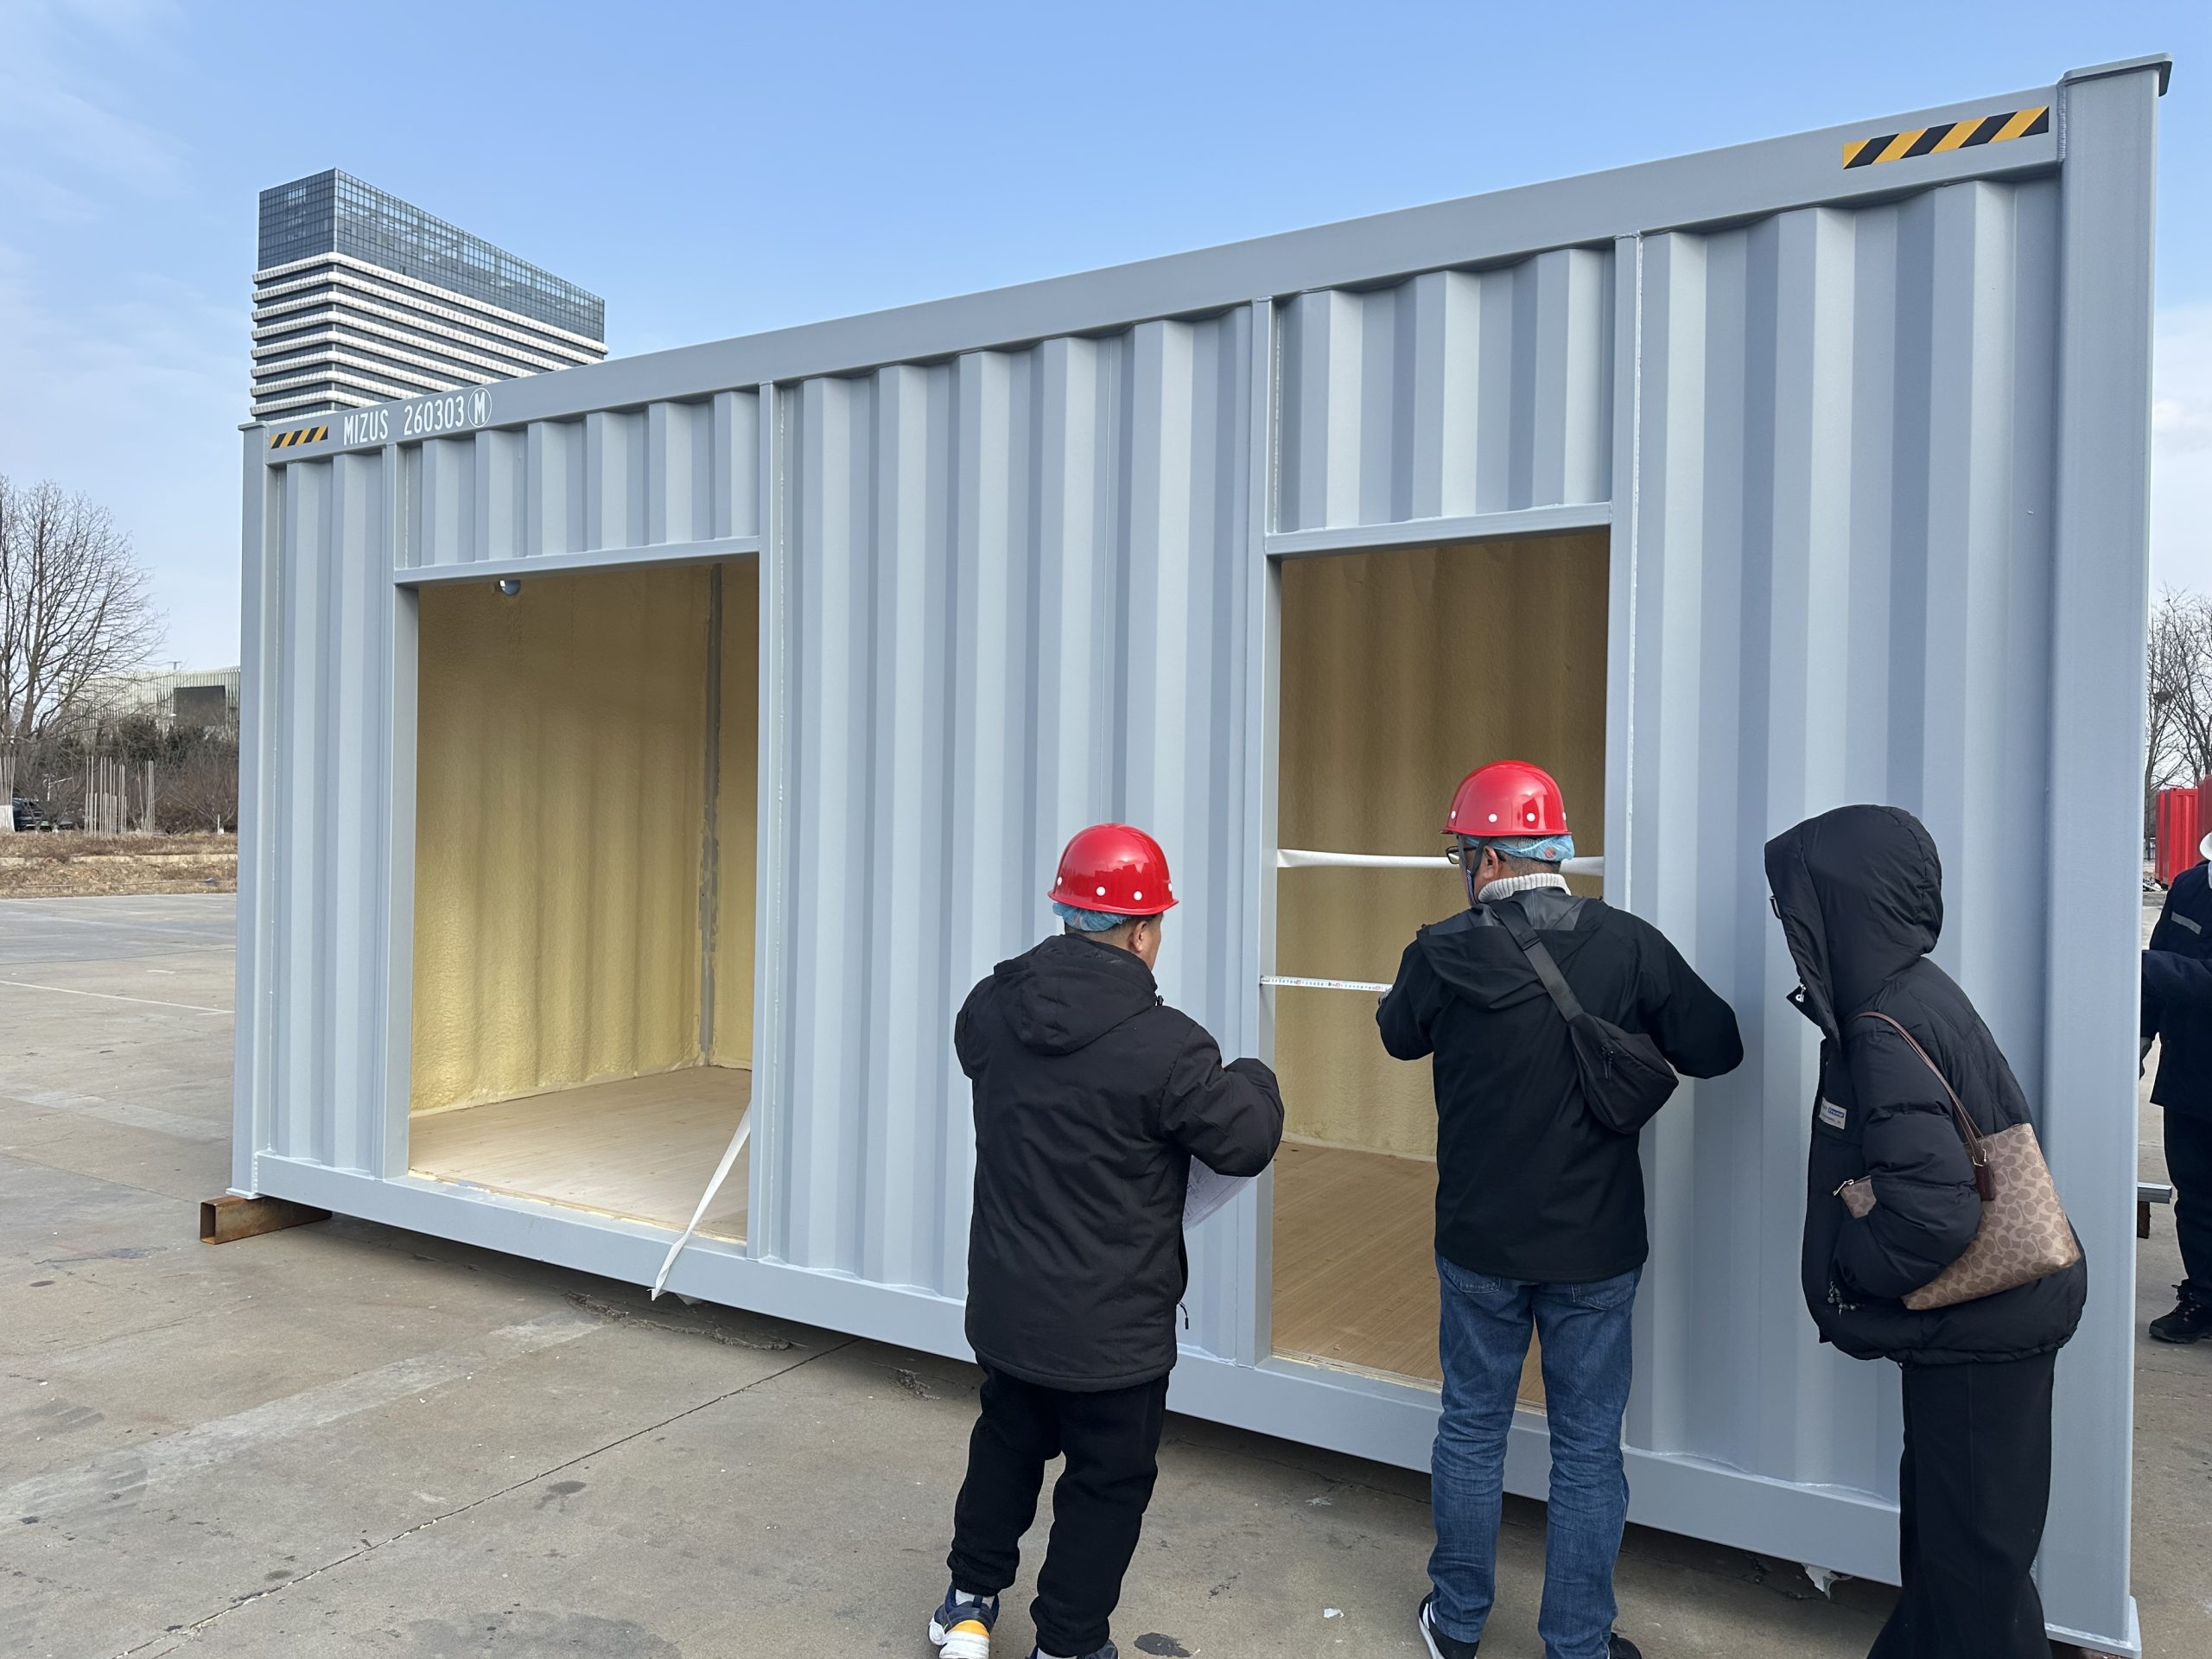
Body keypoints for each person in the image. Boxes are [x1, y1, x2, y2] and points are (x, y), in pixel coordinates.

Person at [1378, 760, 1743, 1659]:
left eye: (1462, 854)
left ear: (1486, 858)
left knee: (1472, 1427)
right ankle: (1577, 1643)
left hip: (1478, 1241)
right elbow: (1717, 1045)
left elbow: (1397, 1034)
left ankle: (1456, 1624)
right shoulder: (1628, 945)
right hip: (1595, 1246)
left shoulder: (1440, 951)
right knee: (1586, 1446)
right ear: (1554, 852)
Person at [928, 823, 1284, 1659]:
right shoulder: (1170, 1049)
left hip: (1009, 1308)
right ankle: (1068, 1641)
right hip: (1112, 1332)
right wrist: (1255, 1077)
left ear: (1065, 911)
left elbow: (988, 1058)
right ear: (1142, 932)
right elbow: (1244, 1141)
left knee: (1006, 1444)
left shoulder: (990, 1007)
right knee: (1106, 1482)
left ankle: (968, 1606)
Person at [1764, 805, 2086, 1659]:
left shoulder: (1880, 1025)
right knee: (1954, 1555)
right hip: (1992, 1323)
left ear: (1838, 908)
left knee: (1974, 1575)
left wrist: (1849, 1271)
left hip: (1984, 1330)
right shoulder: (1911, 993)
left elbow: (1933, 1213)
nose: (1787, 926)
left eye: (1795, 906)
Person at [2140, 837, 2212, 1343]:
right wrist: (2139, 1040)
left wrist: (2136, 961)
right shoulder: (2188, 887)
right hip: (2190, 1073)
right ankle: (2203, 1299)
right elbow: (2158, 968)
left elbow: (2158, 968)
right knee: (2197, 1193)